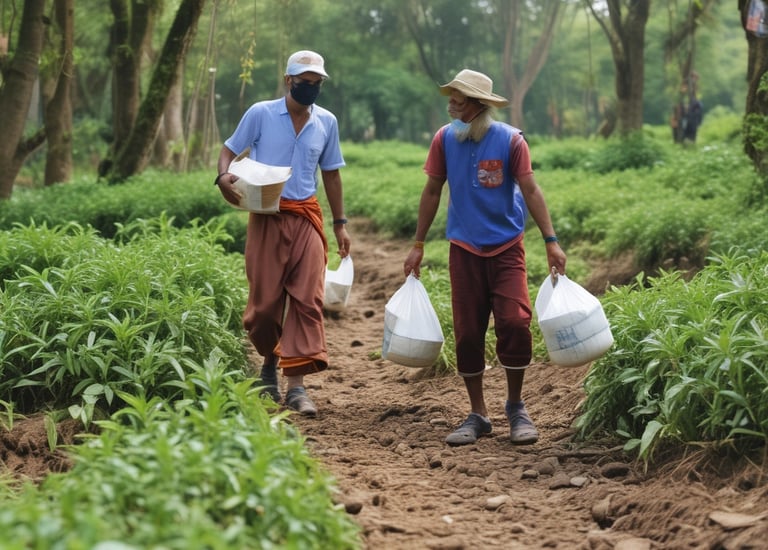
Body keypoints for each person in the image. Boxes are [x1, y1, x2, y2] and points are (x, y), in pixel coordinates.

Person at [403, 69, 567, 446]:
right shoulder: (444, 139)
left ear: (478, 105)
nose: (451, 103)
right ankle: (478, 413)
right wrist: (418, 244)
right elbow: (431, 191)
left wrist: (551, 240)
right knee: (467, 333)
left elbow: (530, 188)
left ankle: (515, 406)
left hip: (507, 247)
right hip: (463, 250)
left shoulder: (511, 141)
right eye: (452, 96)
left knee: (514, 322)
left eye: (459, 98)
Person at [215, 50, 351, 416]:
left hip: (306, 216)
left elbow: (332, 173)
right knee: (264, 307)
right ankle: (268, 365)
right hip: (266, 214)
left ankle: (297, 388)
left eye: (317, 83)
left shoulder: (326, 122)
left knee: (307, 300)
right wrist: (223, 176)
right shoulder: (261, 113)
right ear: (287, 80)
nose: (310, 88)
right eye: (304, 82)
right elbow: (228, 150)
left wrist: (340, 224)